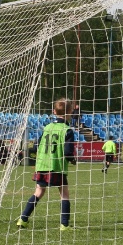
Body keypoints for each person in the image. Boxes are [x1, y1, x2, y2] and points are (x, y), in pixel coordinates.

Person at [16, 98, 75, 231]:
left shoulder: (47, 128)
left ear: (54, 112)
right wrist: (72, 159)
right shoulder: (67, 130)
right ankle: (64, 224)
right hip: (56, 165)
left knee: (38, 192)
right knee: (64, 193)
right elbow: (67, 151)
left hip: (42, 165)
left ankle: (23, 219)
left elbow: (36, 145)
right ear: (70, 111)